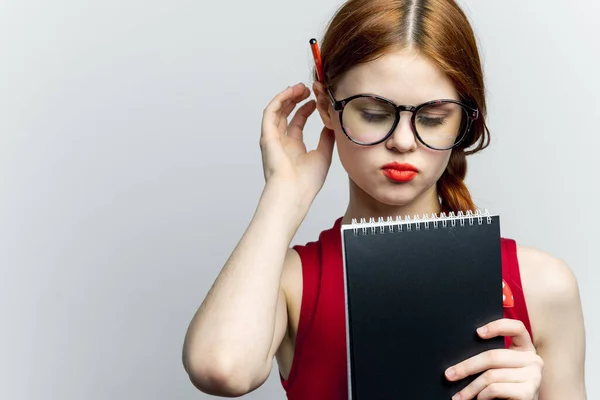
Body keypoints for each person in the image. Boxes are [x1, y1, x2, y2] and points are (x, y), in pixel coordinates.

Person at [182, 0, 587, 399]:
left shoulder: (543, 285)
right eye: (374, 113)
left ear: (465, 119)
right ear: (327, 106)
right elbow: (221, 368)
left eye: (432, 118)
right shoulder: (292, 283)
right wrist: (284, 196)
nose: (403, 142)